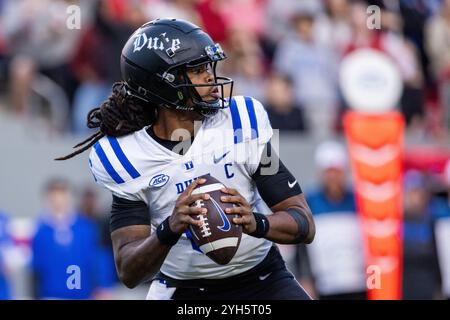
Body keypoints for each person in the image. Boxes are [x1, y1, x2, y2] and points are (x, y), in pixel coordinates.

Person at [57, 19, 315, 300]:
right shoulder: (128, 156)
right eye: (197, 69)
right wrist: (169, 229)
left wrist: (257, 222)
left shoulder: (241, 122)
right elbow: (129, 270)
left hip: (262, 278)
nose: (210, 77)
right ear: (162, 83)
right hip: (184, 290)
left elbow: (303, 222)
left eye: (209, 66)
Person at [297, 141, 367, 299]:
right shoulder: (309, 202)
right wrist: (305, 279)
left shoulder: (359, 201)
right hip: (324, 287)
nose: (334, 177)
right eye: (329, 172)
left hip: (358, 284)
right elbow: (301, 246)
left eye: (338, 171)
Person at [31, 179, 104, 299]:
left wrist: (101, 286)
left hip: (83, 294)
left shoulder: (85, 228)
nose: (59, 203)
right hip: (51, 295)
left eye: (63, 197)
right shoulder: (41, 232)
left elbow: (96, 260)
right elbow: (36, 269)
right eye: (54, 199)